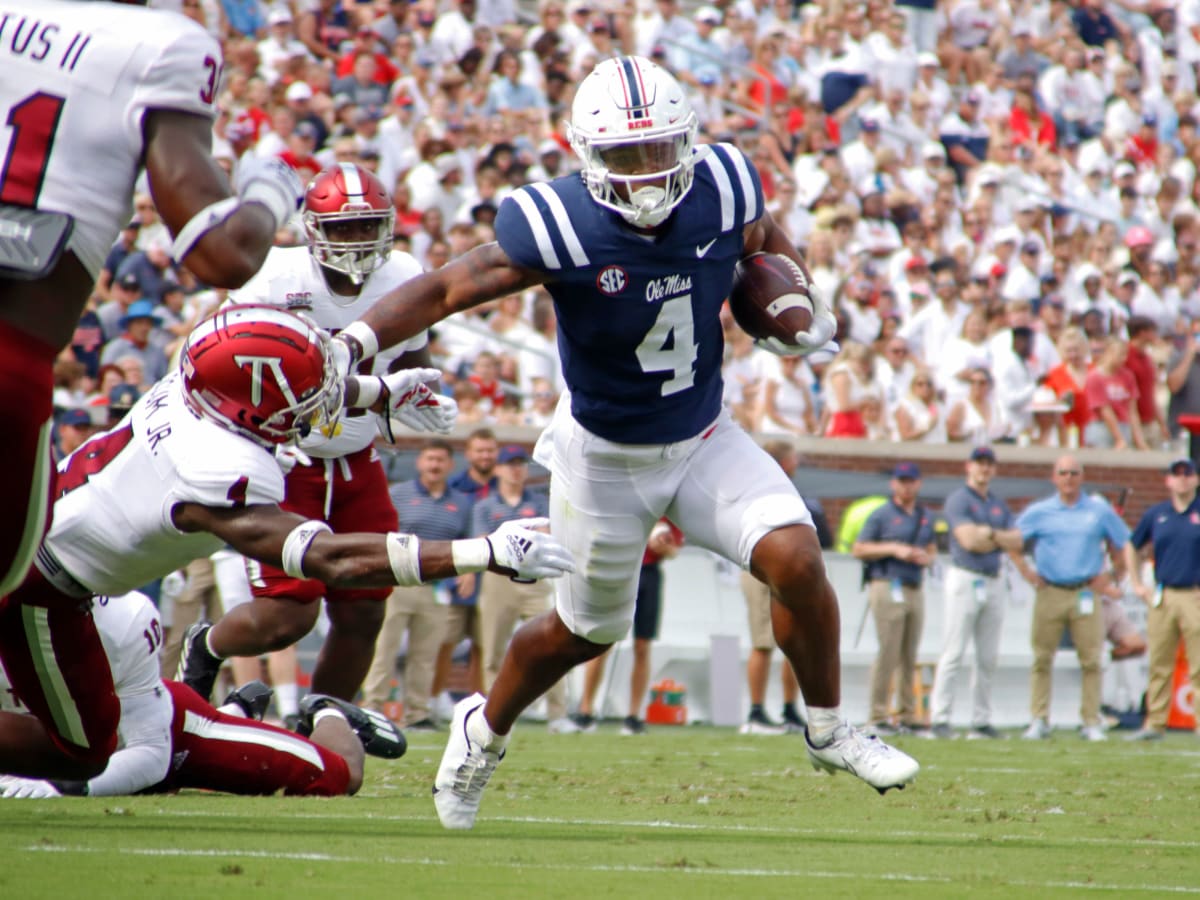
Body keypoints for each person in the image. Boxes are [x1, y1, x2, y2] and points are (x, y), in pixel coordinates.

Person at [330, 56, 918, 830]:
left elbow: (763, 236)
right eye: (623, 157)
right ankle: (484, 730)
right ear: (586, 154)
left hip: (703, 435)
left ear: (688, 142)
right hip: (602, 457)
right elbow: (446, 287)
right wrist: (352, 343)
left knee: (798, 559)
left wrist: (797, 295)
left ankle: (830, 727)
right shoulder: (558, 222)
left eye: (658, 152)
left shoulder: (727, 184)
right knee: (585, 632)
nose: (644, 175)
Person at [0, 306, 573, 781]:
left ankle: (244, 710)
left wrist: (375, 395)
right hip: (47, 587)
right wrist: (486, 552)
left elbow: (274, 392)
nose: (319, 403)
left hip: (67, 563)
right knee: (80, 753)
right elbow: (334, 560)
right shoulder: (216, 467)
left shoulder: (193, 386)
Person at [0, 0, 305, 776]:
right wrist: (269, 189)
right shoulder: (157, 44)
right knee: (80, 744)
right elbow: (219, 255)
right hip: (11, 359)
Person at [187, 163, 451, 703]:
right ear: (313, 229)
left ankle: (325, 722)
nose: (355, 240)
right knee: (290, 613)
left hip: (357, 460)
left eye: (366, 226)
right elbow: (221, 363)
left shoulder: (402, 273)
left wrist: (421, 397)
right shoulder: (277, 277)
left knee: (365, 607)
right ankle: (206, 646)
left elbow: (415, 362)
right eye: (342, 228)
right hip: (285, 462)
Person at [0, 592, 404, 799]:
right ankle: (238, 707)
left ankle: (326, 712)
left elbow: (151, 756)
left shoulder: (123, 620)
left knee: (337, 777)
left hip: (173, 735)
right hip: (84, 748)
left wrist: (64, 787)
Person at [1014, 455, 1130, 742]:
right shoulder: (1040, 511)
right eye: (1062, 473)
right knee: (1042, 657)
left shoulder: (1098, 511)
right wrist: (1026, 572)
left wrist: (1115, 575)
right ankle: (1039, 719)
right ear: (1054, 477)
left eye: (1073, 473)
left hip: (1085, 591)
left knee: (1091, 659)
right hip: (1050, 590)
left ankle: (1090, 720)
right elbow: (1012, 541)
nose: (1068, 478)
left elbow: (1125, 542)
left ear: (1082, 476)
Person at [362, 439, 475, 730]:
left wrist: (468, 572)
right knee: (383, 649)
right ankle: (373, 709)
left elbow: (466, 542)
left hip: (437, 588)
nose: (435, 465)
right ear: (420, 462)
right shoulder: (398, 494)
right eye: (430, 459)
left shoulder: (461, 503)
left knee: (425, 655)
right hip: (397, 583)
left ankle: (417, 713)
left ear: (450, 465)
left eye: (440, 459)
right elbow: (380, 535)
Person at [472, 445, 580, 734]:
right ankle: (492, 716)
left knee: (553, 645)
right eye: (510, 464)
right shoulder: (485, 505)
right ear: (498, 470)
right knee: (493, 649)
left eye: (520, 464)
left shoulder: (539, 502)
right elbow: (482, 540)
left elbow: (550, 533)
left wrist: (510, 539)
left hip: (534, 580)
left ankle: (558, 715)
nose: (516, 470)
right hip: (498, 580)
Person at [926, 446, 1024, 740]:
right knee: (953, 651)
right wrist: (996, 538)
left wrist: (991, 535)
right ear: (969, 466)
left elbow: (1016, 541)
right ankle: (940, 718)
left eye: (989, 464)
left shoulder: (998, 504)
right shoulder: (959, 499)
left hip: (993, 579)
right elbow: (968, 541)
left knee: (988, 656)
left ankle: (981, 720)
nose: (984, 469)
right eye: (979, 463)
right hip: (965, 577)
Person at [573, 518, 683, 735]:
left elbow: (674, 551)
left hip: (649, 574)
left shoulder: (665, 510)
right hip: (619, 571)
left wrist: (662, 546)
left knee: (643, 646)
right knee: (603, 640)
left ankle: (633, 716)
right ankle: (585, 710)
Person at [852, 462, 936, 736]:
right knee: (888, 651)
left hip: (914, 585)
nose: (906, 486)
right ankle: (877, 714)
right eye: (901, 481)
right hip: (887, 583)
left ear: (918, 483)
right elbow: (859, 548)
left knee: (909, 654)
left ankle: (907, 714)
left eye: (910, 481)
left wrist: (928, 557)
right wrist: (894, 549)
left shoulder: (925, 515)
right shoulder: (881, 515)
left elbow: (932, 546)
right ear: (893, 484)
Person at [1123, 458, 1200, 742]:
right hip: (1164, 594)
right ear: (1168, 480)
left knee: (1198, 663)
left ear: (1195, 479)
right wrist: (1136, 583)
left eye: (1187, 474)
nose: (1182, 479)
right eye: (1177, 475)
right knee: (1159, 661)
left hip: (1194, 593)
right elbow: (1132, 545)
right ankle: (1155, 722)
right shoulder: (1157, 514)